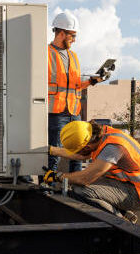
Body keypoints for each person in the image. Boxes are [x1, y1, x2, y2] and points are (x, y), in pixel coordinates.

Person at [45, 121, 140, 222]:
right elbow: (81, 155)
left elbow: (85, 178)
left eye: (79, 149)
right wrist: (53, 150)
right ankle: (125, 214)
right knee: (78, 187)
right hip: (130, 184)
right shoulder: (102, 135)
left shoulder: (113, 147)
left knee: (82, 191)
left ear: (87, 147)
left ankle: (121, 224)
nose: (78, 153)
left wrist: (58, 176)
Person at [48, 12, 103, 173]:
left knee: (80, 150)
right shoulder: (46, 53)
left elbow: (75, 85)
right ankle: (47, 186)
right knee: (54, 153)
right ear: (62, 33)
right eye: (72, 35)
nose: (74, 39)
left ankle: (76, 186)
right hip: (55, 113)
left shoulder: (74, 56)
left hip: (74, 111)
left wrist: (93, 81)